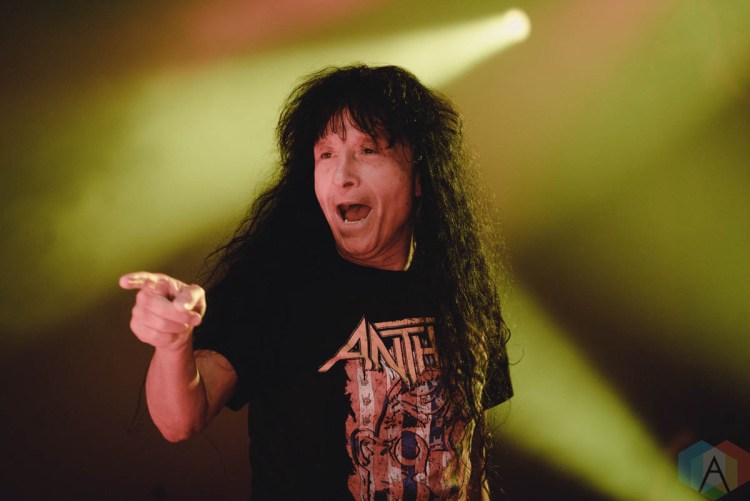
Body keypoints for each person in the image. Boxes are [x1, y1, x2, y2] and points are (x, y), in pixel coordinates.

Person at [120, 64, 512, 500]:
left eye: (368, 149)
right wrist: (173, 343)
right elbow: (180, 420)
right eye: (325, 154)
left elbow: (469, 455)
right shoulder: (277, 286)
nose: (342, 175)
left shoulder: (462, 289)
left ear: (420, 175)